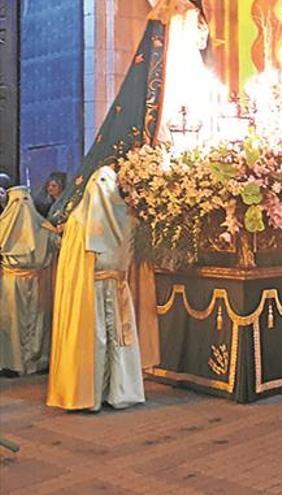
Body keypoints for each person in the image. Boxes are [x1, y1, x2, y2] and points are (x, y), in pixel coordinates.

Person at [48, 0, 213, 225]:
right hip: (171, 74)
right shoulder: (165, 18)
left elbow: (202, 42)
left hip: (188, 76)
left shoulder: (192, 14)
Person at [47, 166, 146, 411]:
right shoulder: (82, 220)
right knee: (98, 338)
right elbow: (73, 262)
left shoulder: (122, 218)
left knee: (115, 338)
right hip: (90, 289)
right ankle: (94, 393)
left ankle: (117, 392)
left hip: (114, 286)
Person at [0, 187, 57, 375]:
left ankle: (36, 361)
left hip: (33, 280)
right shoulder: (4, 225)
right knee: (12, 322)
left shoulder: (43, 227)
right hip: (12, 281)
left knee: (36, 321)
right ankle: (13, 362)